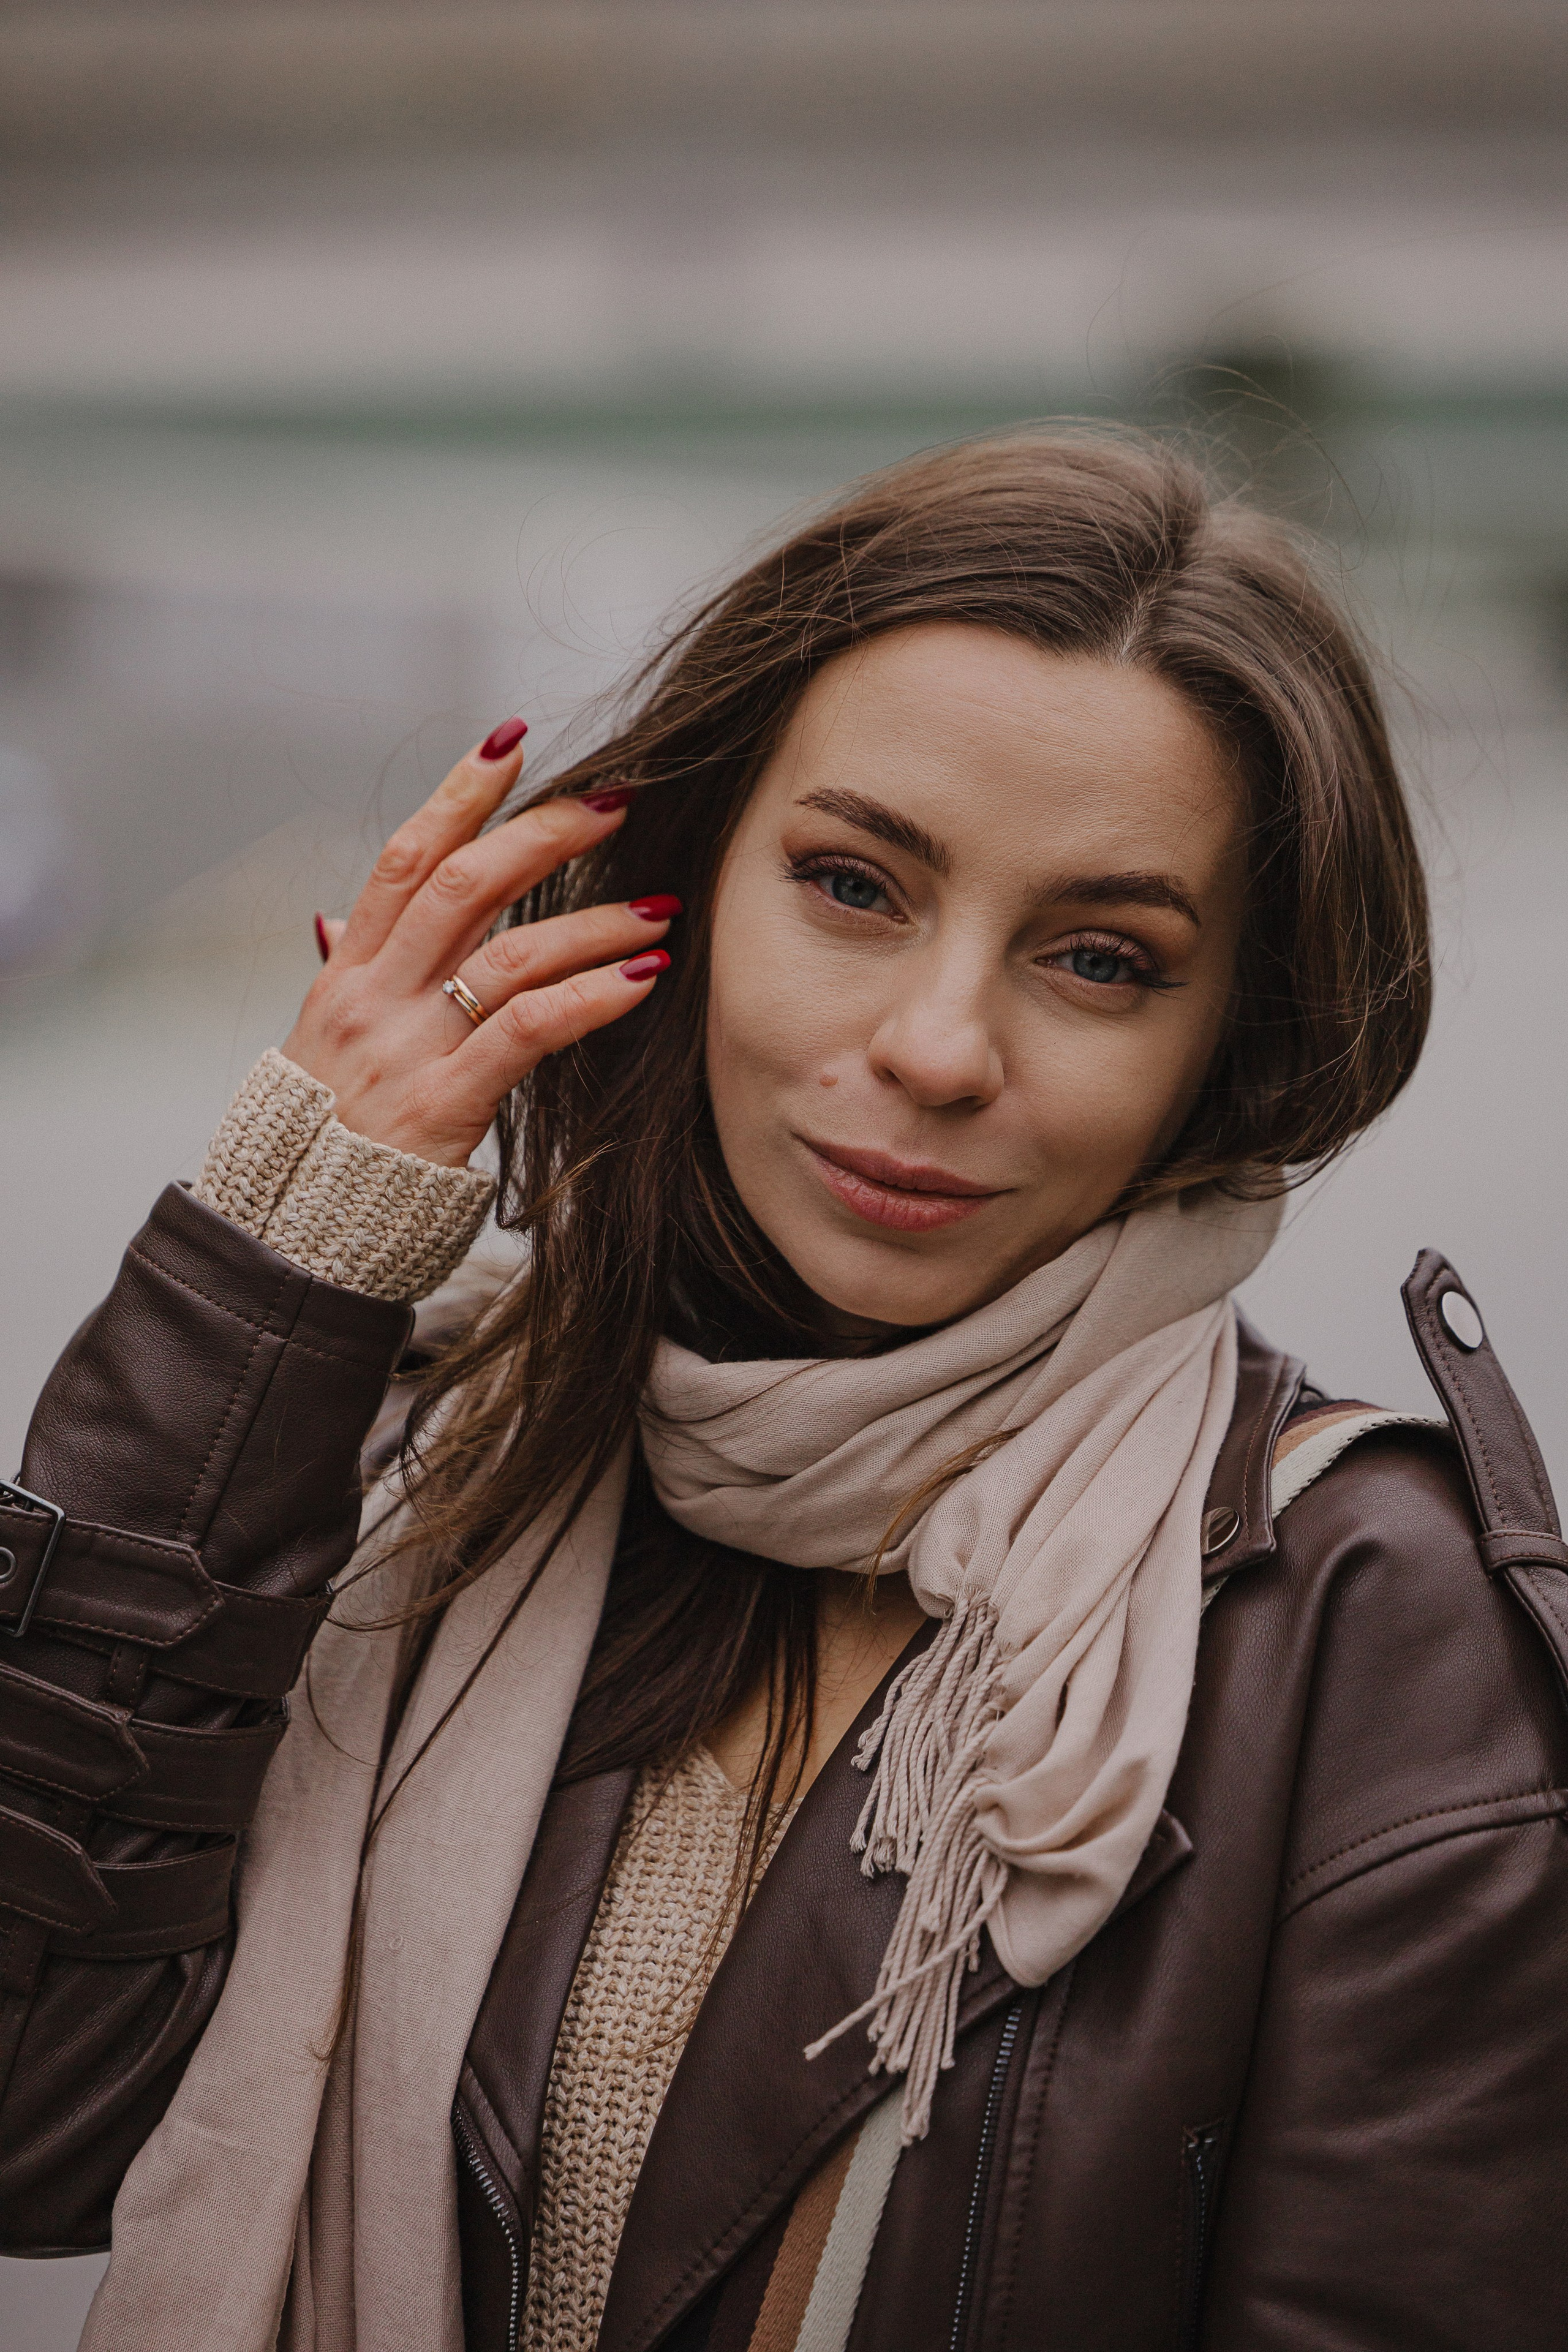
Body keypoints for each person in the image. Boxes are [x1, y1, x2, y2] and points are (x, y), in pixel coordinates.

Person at [1, 431, 1564, 2352]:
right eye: (851, 884)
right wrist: (272, 1280)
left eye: (1100, 958)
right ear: (685, 886)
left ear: (1226, 1044)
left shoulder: (1372, 1635)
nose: (935, 1046)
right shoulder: (421, 1459)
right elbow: (32, 2114)